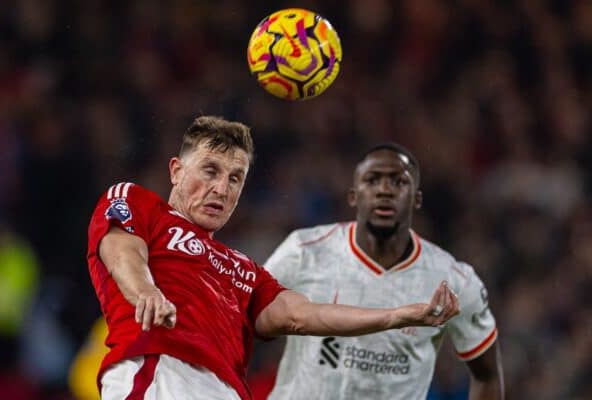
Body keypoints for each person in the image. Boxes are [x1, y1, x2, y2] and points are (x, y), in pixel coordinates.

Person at [87, 116, 459, 400]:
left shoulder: (246, 271)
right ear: (176, 170)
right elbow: (122, 251)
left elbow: (303, 315)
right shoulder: (139, 202)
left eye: (235, 178)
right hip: (160, 373)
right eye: (210, 171)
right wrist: (146, 291)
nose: (221, 188)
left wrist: (396, 316)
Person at [264, 143, 504, 400]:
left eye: (399, 182)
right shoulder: (304, 252)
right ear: (353, 195)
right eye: (373, 180)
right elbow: (240, 321)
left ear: (417, 199)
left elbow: (487, 375)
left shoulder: (453, 280)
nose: (385, 190)